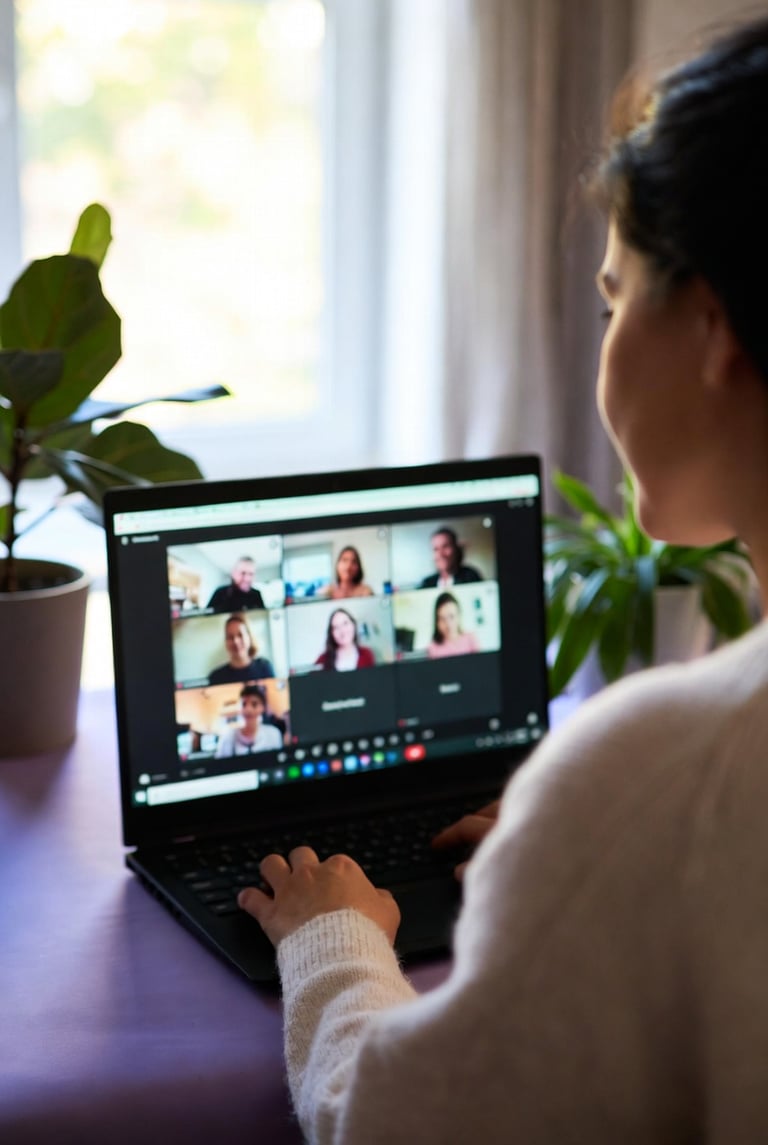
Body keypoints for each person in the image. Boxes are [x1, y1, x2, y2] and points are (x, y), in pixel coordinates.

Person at [237, 17, 768, 1142]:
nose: (606, 339)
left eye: (617, 297)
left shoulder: (673, 766)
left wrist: (331, 935)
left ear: (713, 324)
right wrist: (579, 852)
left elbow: (386, 1122)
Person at [215, 683, 282, 757]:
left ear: (263, 708)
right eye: (244, 704)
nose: (248, 709)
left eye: (254, 704)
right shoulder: (228, 737)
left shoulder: (273, 734)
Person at [208, 614, 274, 685]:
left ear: (249, 637)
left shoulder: (264, 668)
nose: (236, 641)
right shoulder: (216, 677)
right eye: (230, 637)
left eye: (240, 635)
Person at [426, 592, 480, 659]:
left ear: (459, 615)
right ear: (437, 622)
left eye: (451, 616)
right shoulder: (433, 648)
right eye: (442, 619)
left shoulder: (471, 639)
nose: (448, 624)